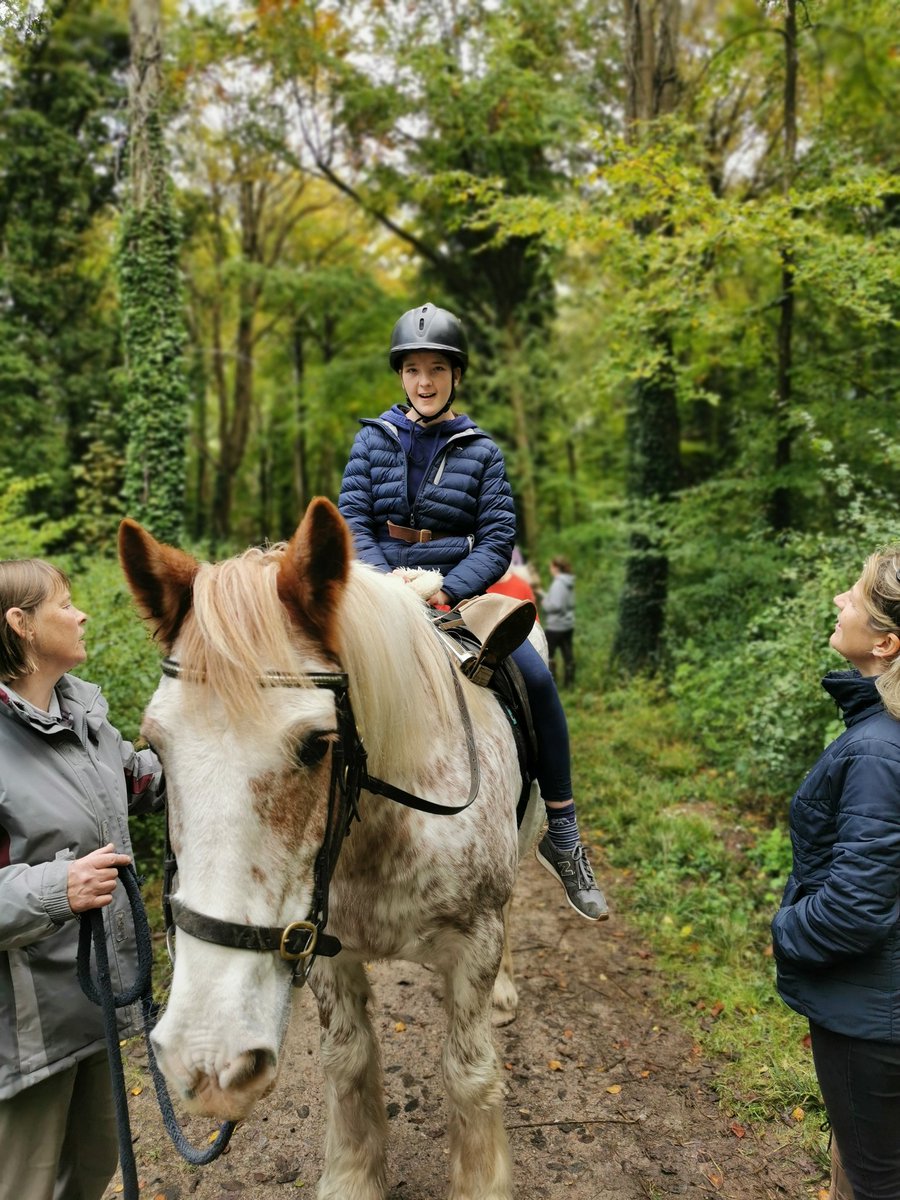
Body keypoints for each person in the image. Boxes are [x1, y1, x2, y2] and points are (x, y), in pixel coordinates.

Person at [338, 301, 607, 921]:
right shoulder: (372, 439)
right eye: (413, 370)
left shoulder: (481, 450)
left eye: (436, 369)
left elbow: (497, 538)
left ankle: (562, 832)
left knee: (535, 678)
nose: (424, 382)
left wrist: (445, 588)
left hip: (460, 588)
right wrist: (389, 585)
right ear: (401, 375)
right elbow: (352, 521)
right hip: (382, 588)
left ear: (455, 375)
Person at [0, 559, 165, 1200]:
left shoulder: (85, 717)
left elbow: (141, 784)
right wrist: (56, 888)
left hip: (93, 1001)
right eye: (64, 603)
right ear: (22, 625)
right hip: (21, 1028)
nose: (81, 613)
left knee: (92, 1171)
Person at [771, 547, 900, 1200]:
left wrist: (785, 930)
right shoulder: (881, 733)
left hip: (872, 1020)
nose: (837, 601)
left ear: (885, 643)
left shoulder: (879, 750)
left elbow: (854, 907)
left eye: (852, 596)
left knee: (876, 1182)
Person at [541, 555, 576, 688]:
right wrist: (544, 594)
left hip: (556, 626)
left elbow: (556, 606)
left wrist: (544, 604)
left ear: (556, 568)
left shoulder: (558, 583)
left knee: (548, 654)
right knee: (568, 655)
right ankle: (569, 684)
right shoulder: (568, 582)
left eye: (551, 566)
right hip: (568, 624)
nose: (550, 569)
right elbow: (560, 600)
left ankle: (551, 683)